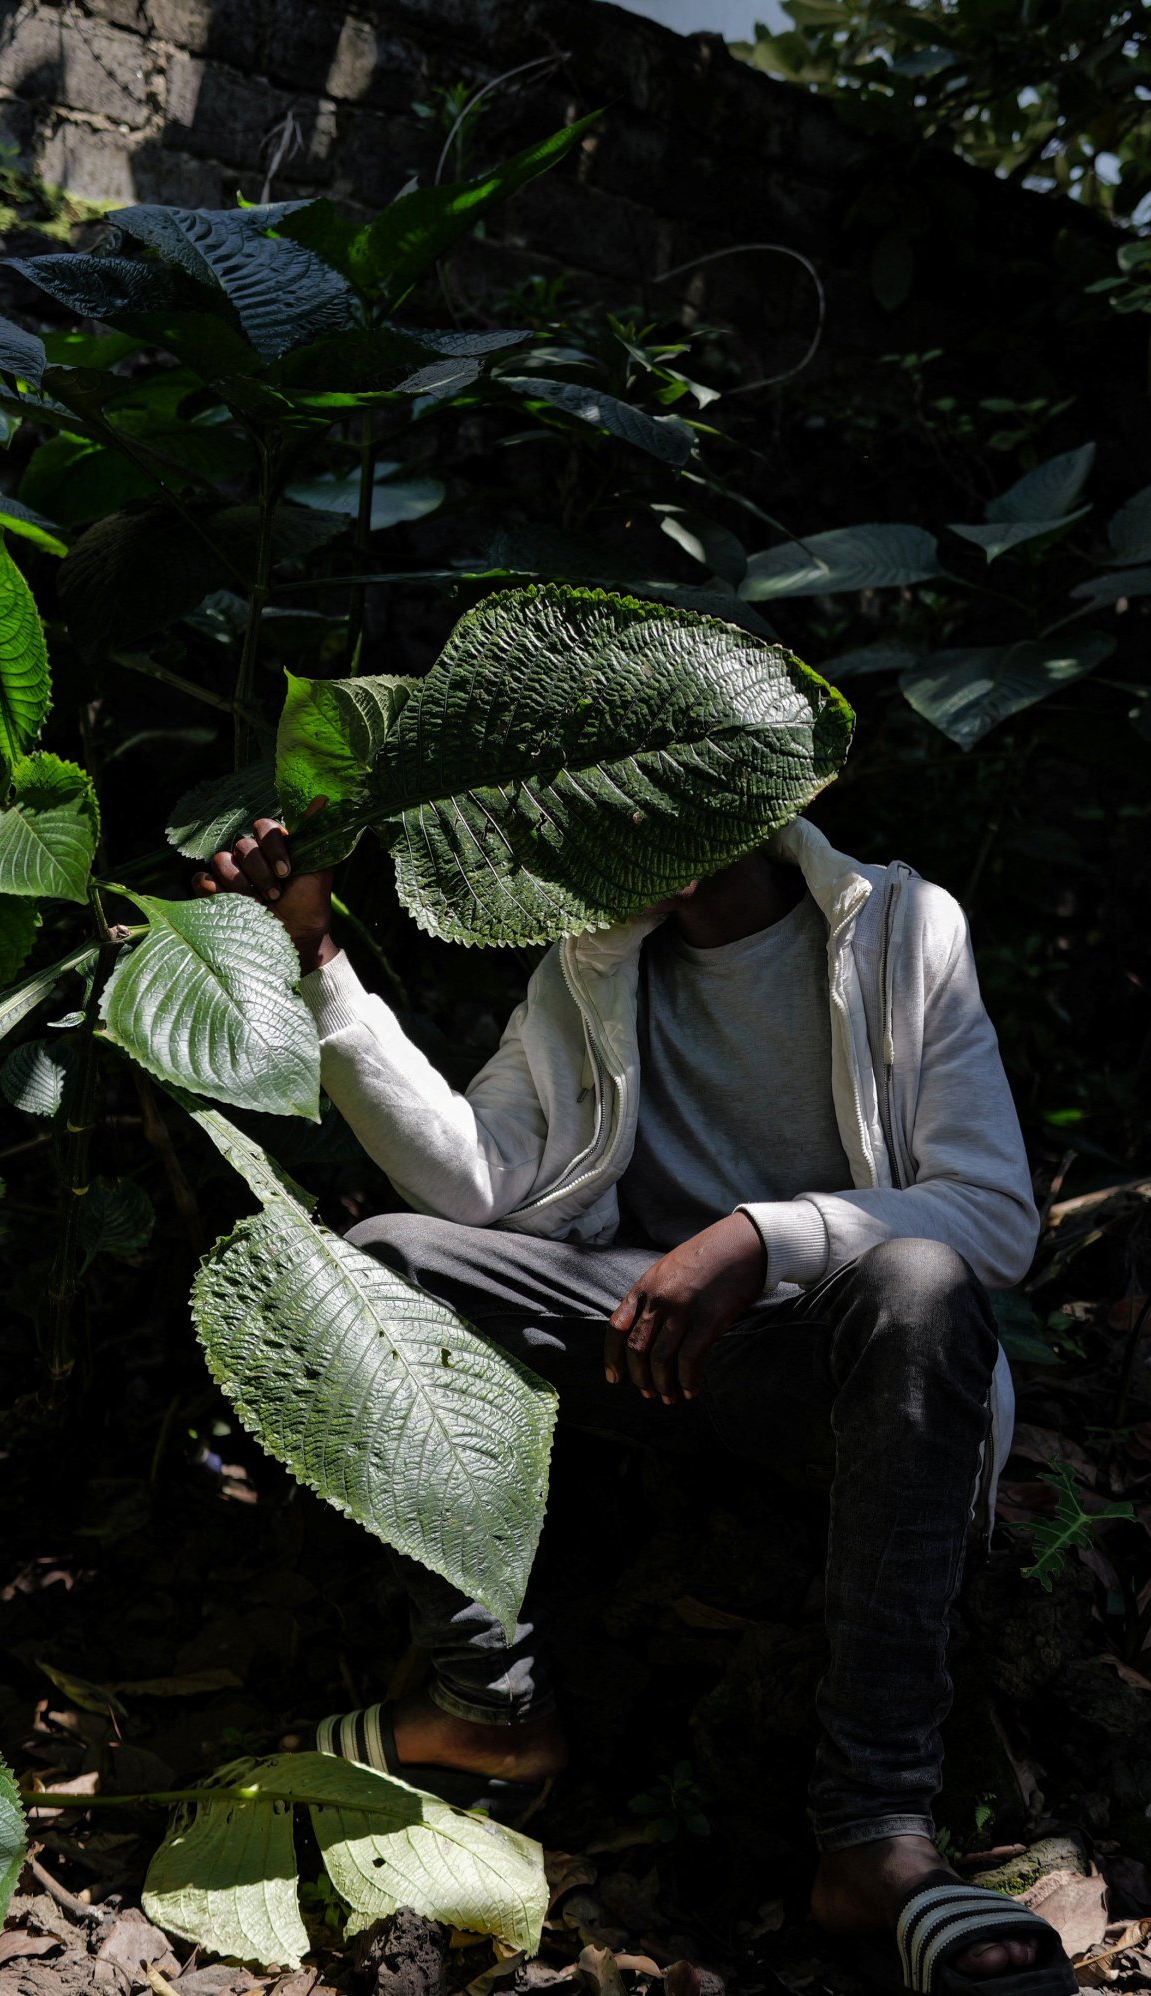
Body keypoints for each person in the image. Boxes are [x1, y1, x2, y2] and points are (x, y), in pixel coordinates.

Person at [198, 813, 1069, 1995]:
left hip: (833, 1364)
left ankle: (877, 1832)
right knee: (379, 1262)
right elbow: (474, 1176)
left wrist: (763, 1239)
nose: (654, 820)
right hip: (641, 1340)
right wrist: (314, 962)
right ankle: (488, 1701)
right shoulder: (592, 955)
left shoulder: (901, 926)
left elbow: (994, 1214)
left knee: (919, 1282)